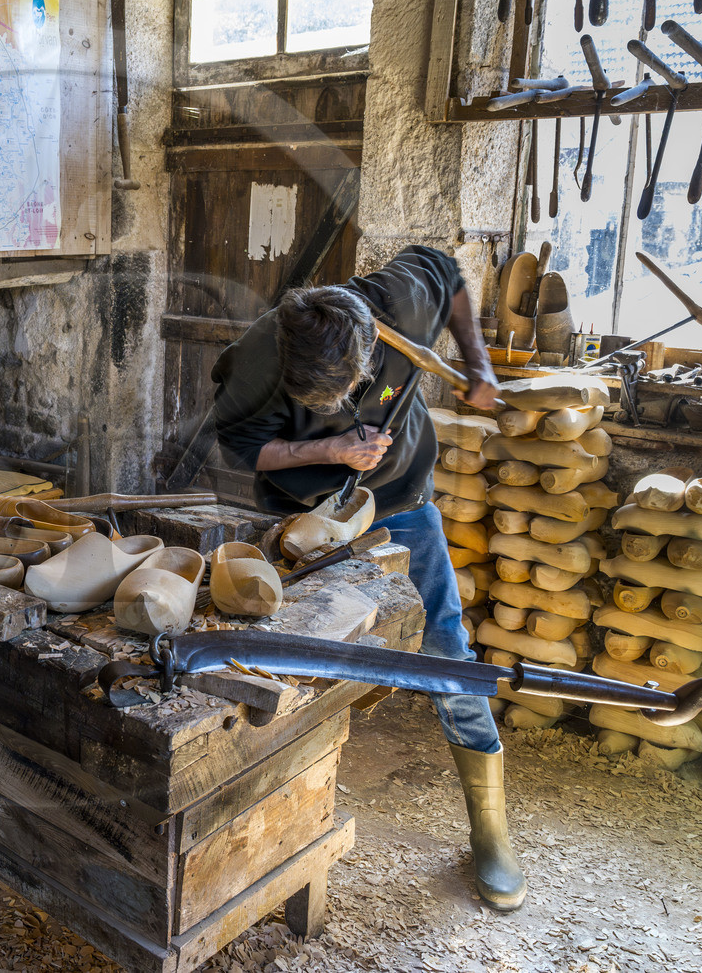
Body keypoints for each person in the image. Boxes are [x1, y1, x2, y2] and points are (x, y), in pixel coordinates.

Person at [211, 245, 525, 912]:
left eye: (346, 391)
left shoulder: (400, 301)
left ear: (367, 350)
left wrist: (478, 364)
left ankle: (490, 827)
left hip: (401, 498)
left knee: (447, 649)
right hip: (305, 516)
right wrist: (330, 448)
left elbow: (449, 272)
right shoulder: (255, 361)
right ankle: (261, 819)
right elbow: (244, 446)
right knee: (282, 654)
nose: (339, 403)